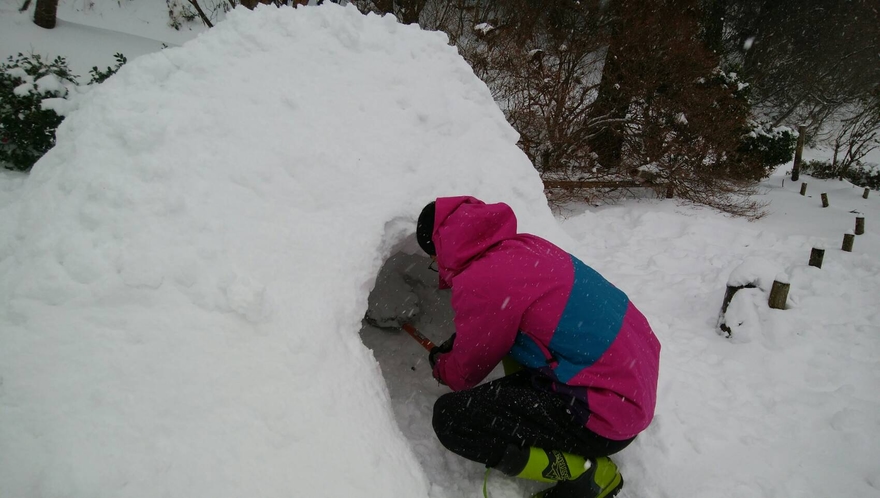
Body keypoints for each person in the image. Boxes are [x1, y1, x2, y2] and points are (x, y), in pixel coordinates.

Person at [415, 196, 661, 498]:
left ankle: (586, 474)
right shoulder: (525, 247)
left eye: (432, 259)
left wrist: (442, 366)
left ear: (441, 249)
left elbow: (466, 372)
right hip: (626, 388)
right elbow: (495, 330)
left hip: (602, 414)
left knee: (453, 419)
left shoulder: (483, 281)